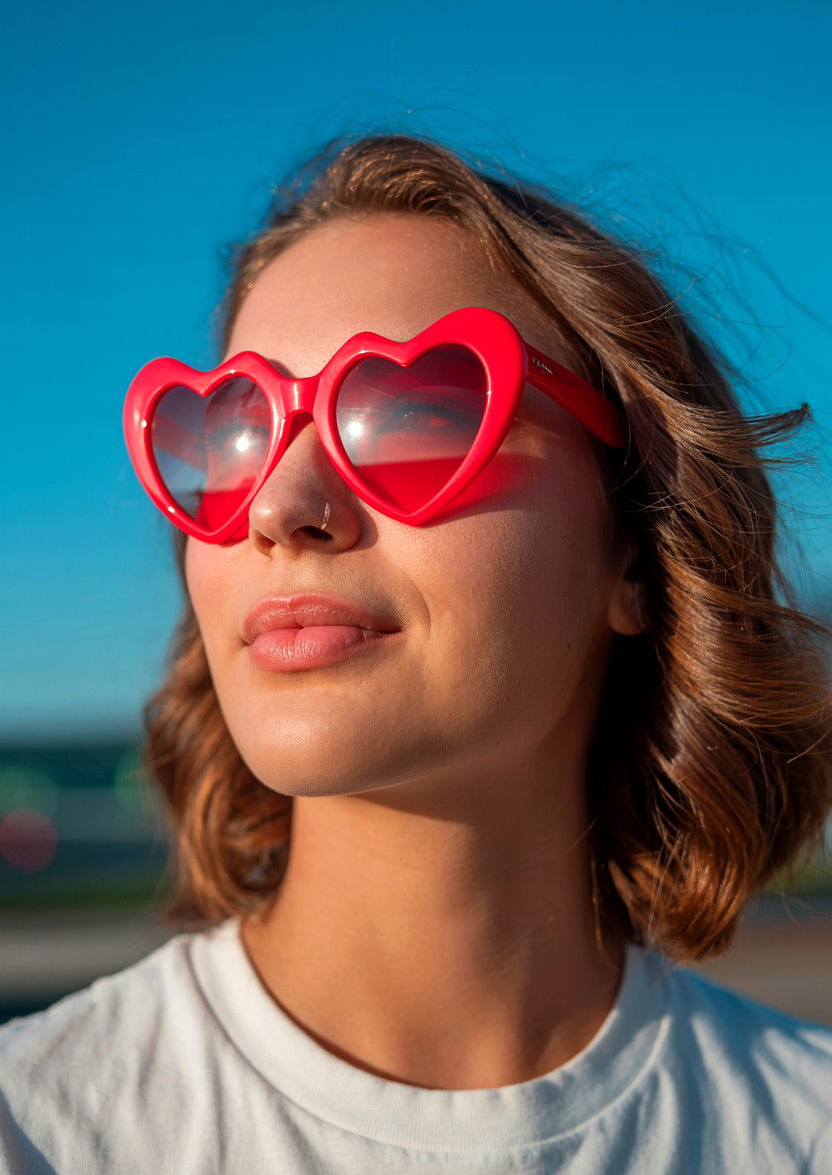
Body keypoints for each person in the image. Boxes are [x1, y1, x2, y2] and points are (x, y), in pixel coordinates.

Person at [1, 132, 831, 1173]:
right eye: (232, 430)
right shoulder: (35, 1131)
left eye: (411, 413)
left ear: (631, 545)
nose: (280, 507)